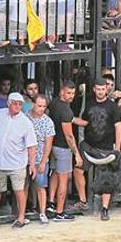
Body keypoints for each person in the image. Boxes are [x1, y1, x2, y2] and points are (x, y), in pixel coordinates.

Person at [76, 77, 121, 221]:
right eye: (99, 89)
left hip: (106, 147)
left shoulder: (113, 106)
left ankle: (104, 209)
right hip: (89, 144)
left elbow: (118, 127)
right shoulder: (89, 104)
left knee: (106, 178)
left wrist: (117, 149)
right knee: (78, 169)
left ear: (106, 90)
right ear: (94, 89)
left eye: (103, 89)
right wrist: (69, 119)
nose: (101, 91)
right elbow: (85, 122)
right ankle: (83, 201)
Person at [0, 92, 38, 228]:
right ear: (8, 103)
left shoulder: (25, 122)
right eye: (15, 103)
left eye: (20, 104)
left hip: (17, 163)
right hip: (0, 161)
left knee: (19, 191)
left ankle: (21, 217)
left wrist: (32, 164)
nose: (17, 106)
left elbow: (31, 145)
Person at [47, 81, 82, 222]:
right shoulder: (66, 110)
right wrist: (77, 154)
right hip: (63, 148)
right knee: (64, 179)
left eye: (73, 93)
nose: (71, 96)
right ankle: (60, 212)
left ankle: (50, 203)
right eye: (68, 93)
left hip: (53, 146)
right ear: (62, 92)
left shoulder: (55, 103)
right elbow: (69, 136)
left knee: (55, 174)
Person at [26, 95, 55, 225]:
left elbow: (48, 144)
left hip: (39, 158)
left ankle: (42, 212)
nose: (42, 109)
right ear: (33, 104)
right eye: (39, 106)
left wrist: (43, 161)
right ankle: (22, 212)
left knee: (41, 186)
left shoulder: (48, 121)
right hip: (23, 158)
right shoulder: (25, 118)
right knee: (23, 186)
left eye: (44, 106)